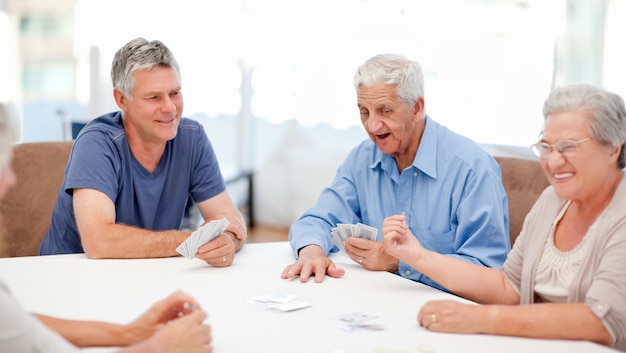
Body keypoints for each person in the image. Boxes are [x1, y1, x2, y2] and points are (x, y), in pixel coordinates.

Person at [381, 84, 626, 350]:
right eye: (546, 146)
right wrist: (418, 256)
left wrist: (478, 318)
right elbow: (509, 287)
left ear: (613, 148)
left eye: (568, 147)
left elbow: (603, 321)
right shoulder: (553, 200)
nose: (554, 162)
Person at [281, 54, 510, 291]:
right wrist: (311, 252)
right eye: (364, 111)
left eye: (385, 110)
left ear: (417, 108)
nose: (372, 126)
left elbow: (489, 272)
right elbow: (318, 220)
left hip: (446, 311)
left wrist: (399, 262)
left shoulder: (472, 169)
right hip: (377, 301)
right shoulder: (362, 158)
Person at [0, 103, 212, 352]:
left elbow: (21, 326)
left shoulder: (191, 137)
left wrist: (131, 332)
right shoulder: (98, 142)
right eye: (2, 164)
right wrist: (158, 348)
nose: (12, 179)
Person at [38, 37, 246, 266]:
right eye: (154, 97)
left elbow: (232, 219)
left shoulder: (191, 137)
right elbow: (99, 242)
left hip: (146, 271)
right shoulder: (96, 143)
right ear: (122, 99)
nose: (169, 107)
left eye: (175, 93)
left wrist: (226, 240)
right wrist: (192, 240)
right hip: (72, 275)